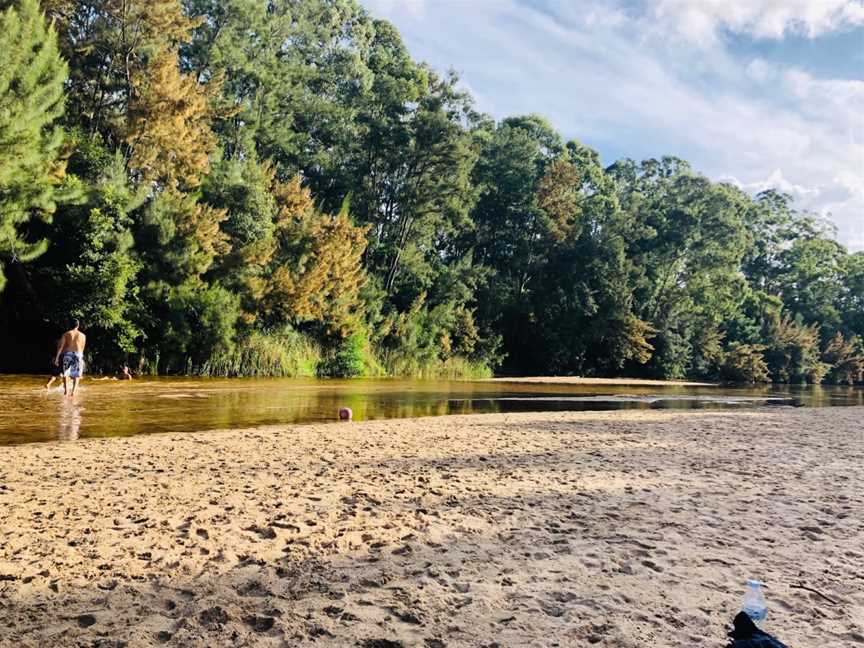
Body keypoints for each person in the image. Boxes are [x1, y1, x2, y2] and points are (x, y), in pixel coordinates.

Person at [54, 318, 86, 396]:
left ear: (70, 325)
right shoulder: (83, 335)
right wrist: (81, 358)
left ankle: (66, 391)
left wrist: (57, 358)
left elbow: (61, 347)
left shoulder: (66, 334)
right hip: (78, 354)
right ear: (78, 325)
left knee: (66, 373)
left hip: (68, 354)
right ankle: (73, 392)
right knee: (77, 374)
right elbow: (82, 348)